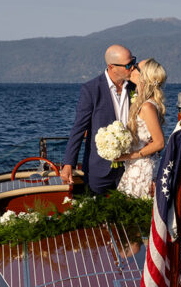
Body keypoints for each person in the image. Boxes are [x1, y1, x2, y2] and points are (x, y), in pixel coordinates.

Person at [60, 44, 137, 195]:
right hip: (99, 168)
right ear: (112, 67)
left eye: (133, 61)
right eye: (128, 65)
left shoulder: (136, 87)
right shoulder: (91, 89)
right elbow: (79, 128)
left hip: (131, 165)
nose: (133, 67)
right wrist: (69, 163)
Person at [116, 58, 166, 198]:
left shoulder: (147, 106)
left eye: (136, 67)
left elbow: (159, 142)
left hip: (142, 168)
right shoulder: (144, 102)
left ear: (144, 77)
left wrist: (130, 156)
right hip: (135, 165)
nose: (132, 68)